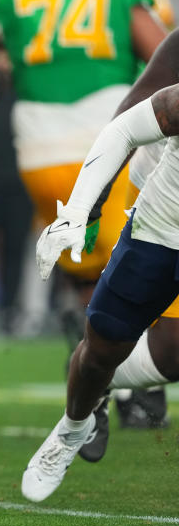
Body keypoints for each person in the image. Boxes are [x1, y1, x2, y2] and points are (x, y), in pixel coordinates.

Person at [0, 0, 167, 418]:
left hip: (39, 150)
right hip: (108, 139)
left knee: (85, 268)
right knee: (142, 256)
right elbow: (162, 53)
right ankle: (133, 382)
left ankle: (97, 357)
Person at [23, 33, 179, 502]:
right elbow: (126, 127)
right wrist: (79, 209)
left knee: (173, 356)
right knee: (102, 346)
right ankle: (73, 426)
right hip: (165, 224)